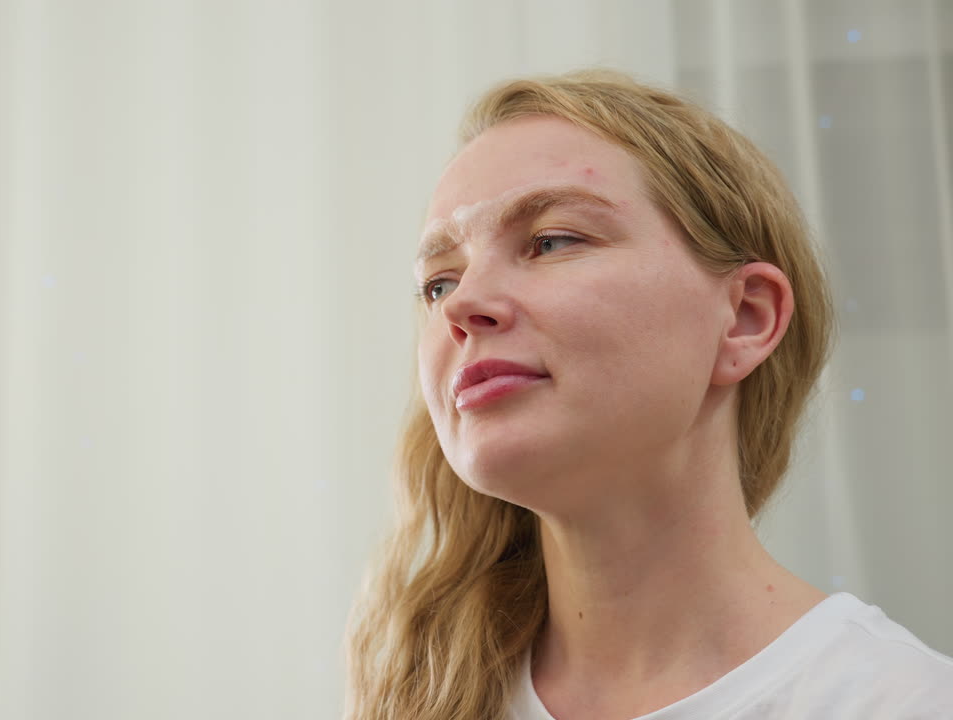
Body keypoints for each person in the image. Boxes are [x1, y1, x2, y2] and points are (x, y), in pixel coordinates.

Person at [342, 70, 953, 720]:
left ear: (745, 318)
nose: (461, 305)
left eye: (551, 241)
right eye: (438, 283)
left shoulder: (899, 703)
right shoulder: (415, 695)